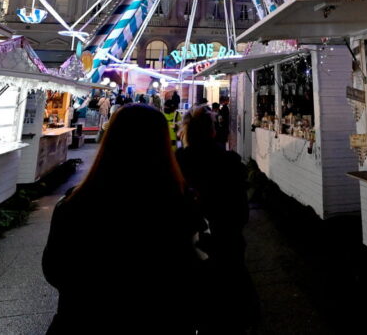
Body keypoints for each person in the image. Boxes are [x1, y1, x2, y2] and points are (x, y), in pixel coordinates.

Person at [43, 105, 202, 333]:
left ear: (110, 140)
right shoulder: (178, 204)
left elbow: (55, 269)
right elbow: (188, 272)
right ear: (161, 145)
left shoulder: (75, 204)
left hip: (83, 319)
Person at [176, 107, 256, 333]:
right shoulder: (229, 161)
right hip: (227, 244)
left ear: (185, 132)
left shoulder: (177, 162)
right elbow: (241, 213)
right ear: (212, 131)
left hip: (190, 250)